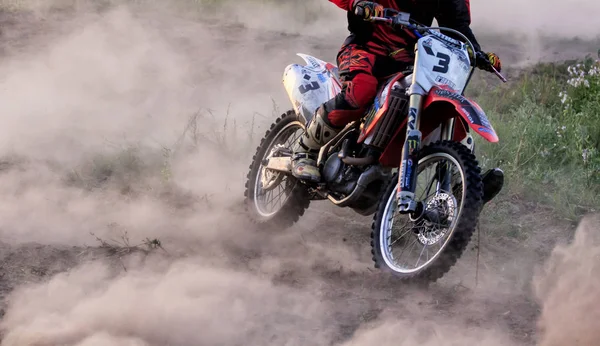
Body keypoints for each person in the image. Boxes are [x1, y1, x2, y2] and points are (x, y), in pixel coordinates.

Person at [291, 0, 504, 204]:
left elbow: (457, 27)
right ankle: (304, 151)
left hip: (411, 58)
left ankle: (459, 186)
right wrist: (357, 2)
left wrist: (477, 52)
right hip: (366, 48)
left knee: (441, 107)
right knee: (360, 92)